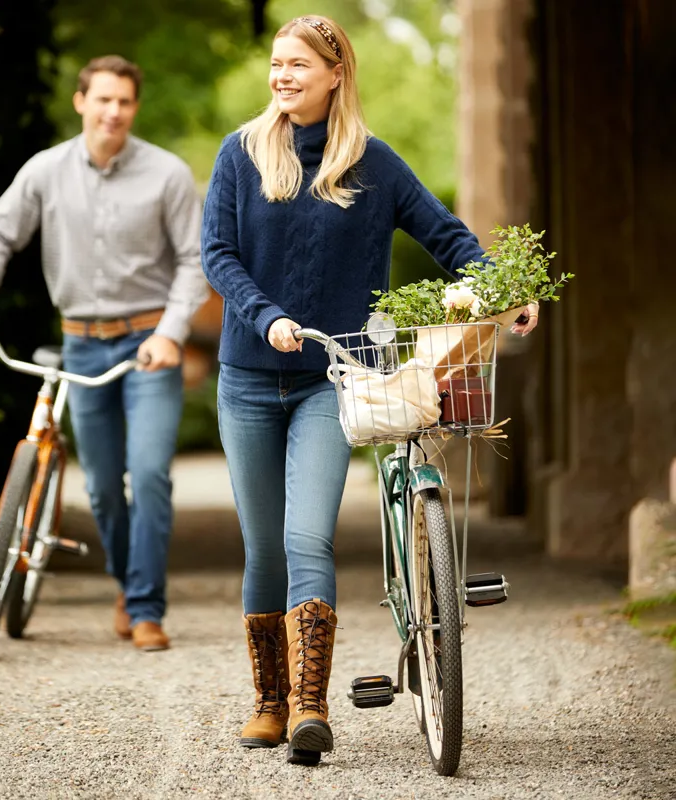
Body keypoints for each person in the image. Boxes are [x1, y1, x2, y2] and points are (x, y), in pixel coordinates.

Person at [201, 15, 538, 765]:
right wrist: (267, 317)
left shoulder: (375, 165)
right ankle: (269, 701)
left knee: (306, 536)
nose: (282, 76)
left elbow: (448, 237)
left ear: (334, 73)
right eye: (276, 63)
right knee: (264, 547)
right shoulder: (241, 153)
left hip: (336, 378)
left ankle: (311, 710)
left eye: (298, 65)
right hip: (249, 379)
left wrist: (505, 289)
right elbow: (218, 255)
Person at [0, 55, 208, 652]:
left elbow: (196, 261)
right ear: (81, 102)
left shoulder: (167, 174)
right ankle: (127, 583)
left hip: (150, 345)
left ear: (134, 107)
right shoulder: (45, 171)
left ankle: (145, 608)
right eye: (103, 100)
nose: (113, 111)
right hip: (81, 345)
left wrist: (171, 331)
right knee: (98, 487)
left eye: (124, 101)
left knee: (146, 475)